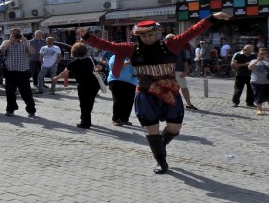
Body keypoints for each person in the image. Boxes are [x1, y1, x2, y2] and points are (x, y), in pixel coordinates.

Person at [76, 12, 230, 174]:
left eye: (151, 35)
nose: (147, 38)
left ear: (157, 34)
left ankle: (160, 143)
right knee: (152, 129)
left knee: (174, 128)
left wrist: (212, 18)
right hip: (146, 94)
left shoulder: (171, 45)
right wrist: (86, 35)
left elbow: (192, 31)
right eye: (144, 36)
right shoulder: (131, 49)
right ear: (138, 36)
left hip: (170, 92)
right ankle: (161, 161)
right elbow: (106, 45)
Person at [54, 42, 101, 128]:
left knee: (83, 104)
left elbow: (65, 73)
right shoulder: (90, 59)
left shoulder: (72, 63)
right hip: (95, 84)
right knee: (89, 103)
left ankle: (85, 123)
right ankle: (86, 118)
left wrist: (56, 78)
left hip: (83, 86)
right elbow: (99, 67)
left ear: (74, 52)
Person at [0, 28, 36, 117]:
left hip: (23, 71)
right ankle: (10, 109)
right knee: (10, 92)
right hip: (10, 71)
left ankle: (31, 110)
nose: (15, 35)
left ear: (21, 34)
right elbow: (1, 50)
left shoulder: (25, 43)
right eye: (13, 34)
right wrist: (10, 41)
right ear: (10, 35)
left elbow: (32, 52)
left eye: (17, 34)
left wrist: (26, 42)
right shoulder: (6, 42)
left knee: (26, 92)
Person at [166, 34, 197, 110]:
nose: (171, 40)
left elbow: (185, 60)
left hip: (179, 71)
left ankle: (189, 104)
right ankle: (170, 104)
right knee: (169, 89)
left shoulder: (180, 48)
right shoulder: (164, 48)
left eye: (172, 38)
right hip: (168, 72)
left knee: (184, 88)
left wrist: (186, 69)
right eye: (169, 39)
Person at [106, 54, 138, 126]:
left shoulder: (136, 57)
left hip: (131, 82)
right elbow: (114, 67)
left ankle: (124, 119)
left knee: (129, 101)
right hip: (116, 80)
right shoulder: (115, 57)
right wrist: (128, 63)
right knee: (118, 100)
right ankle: (116, 118)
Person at [248, 47, 269, 116]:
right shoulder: (254, 60)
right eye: (261, 53)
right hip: (257, 82)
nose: (262, 55)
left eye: (264, 53)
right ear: (258, 54)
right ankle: (259, 110)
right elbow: (250, 67)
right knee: (258, 96)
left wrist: (267, 60)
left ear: (268, 54)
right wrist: (257, 61)